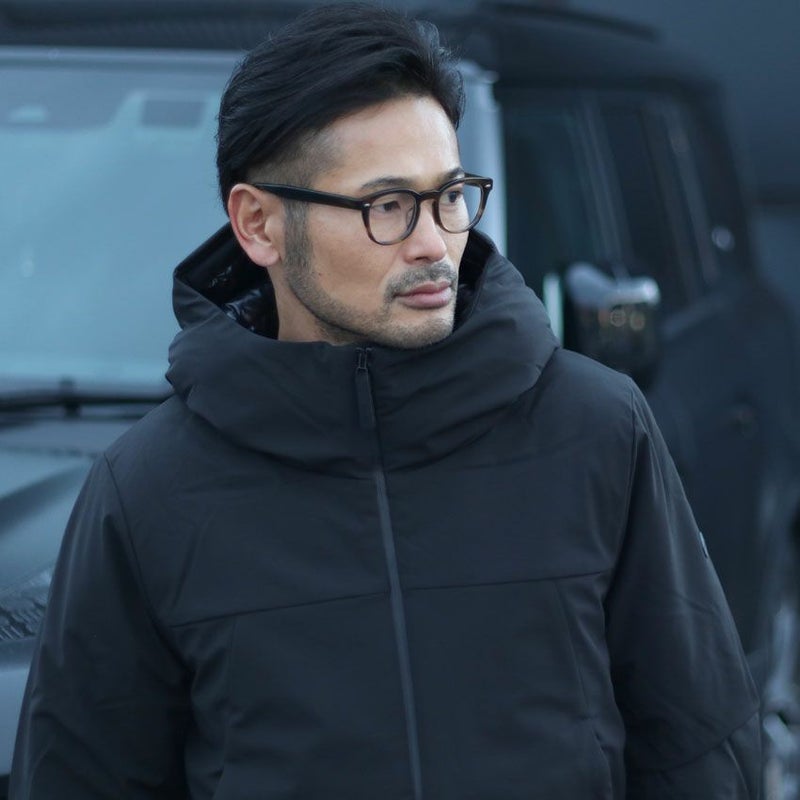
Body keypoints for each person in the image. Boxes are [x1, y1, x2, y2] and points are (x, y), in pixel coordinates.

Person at [11, 4, 761, 799]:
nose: (435, 243)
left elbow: (698, 748)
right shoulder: (149, 491)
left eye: (450, 196)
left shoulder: (597, 431)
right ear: (258, 225)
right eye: (388, 206)